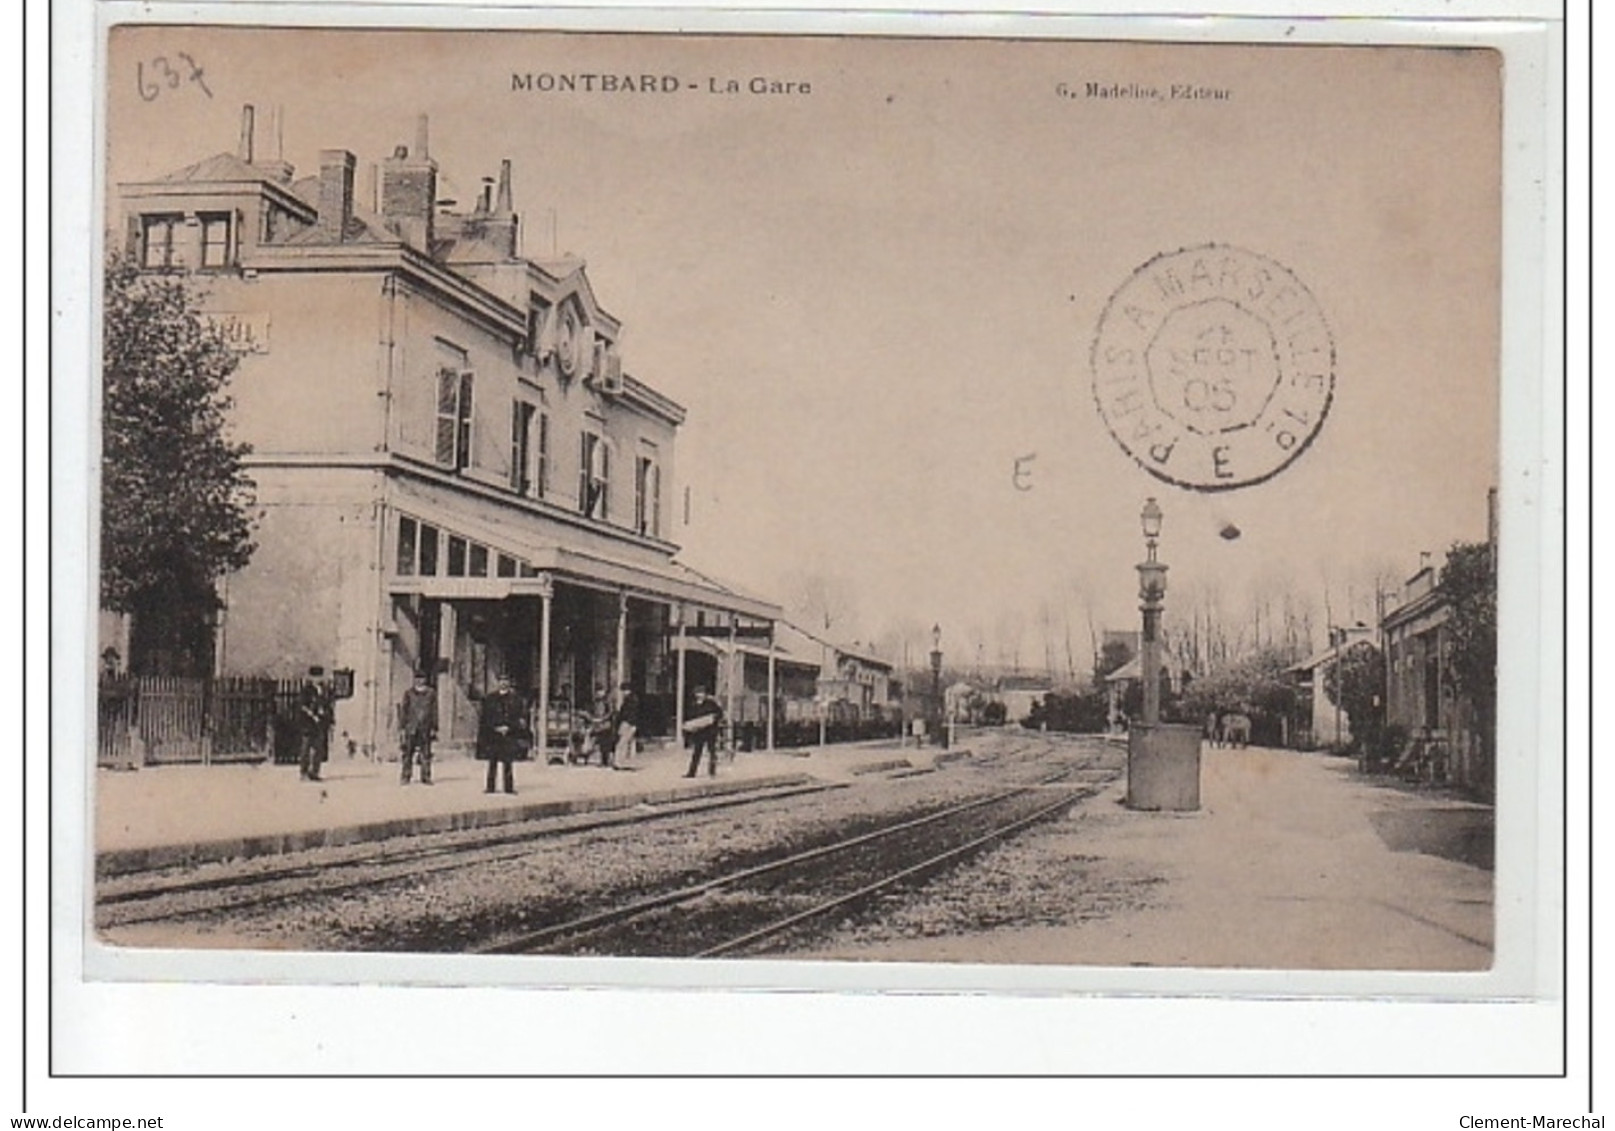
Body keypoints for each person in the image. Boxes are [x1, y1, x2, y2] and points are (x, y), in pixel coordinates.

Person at [477, 674, 529, 795]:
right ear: (498, 682)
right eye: (501, 680)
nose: (503, 683)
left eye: (506, 680)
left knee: (508, 761)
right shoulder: (490, 698)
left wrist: (509, 727)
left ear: (509, 683)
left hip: (509, 733)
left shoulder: (516, 699)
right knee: (492, 760)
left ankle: (509, 787)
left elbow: (519, 717)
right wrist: (495, 727)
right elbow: (485, 717)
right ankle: (490, 787)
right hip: (494, 733)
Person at [397, 670, 438, 785]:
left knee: (426, 753)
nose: (420, 681)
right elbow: (404, 710)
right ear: (414, 680)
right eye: (417, 678)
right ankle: (406, 776)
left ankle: (426, 776)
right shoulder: (409, 693)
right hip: (411, 727)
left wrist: (434, 727)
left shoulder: (431, 693)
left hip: (425, 727)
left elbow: (434, 710)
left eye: (422, 678)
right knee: (408, 753)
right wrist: (402, 727)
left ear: (425, 680)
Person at [297, 668, 334, 782]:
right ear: (311, 678)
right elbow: (303, 705)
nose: (318, 679)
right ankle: (304, 772)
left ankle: (315, 772)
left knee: (318, 748)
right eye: (316, 676)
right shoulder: (306, 690)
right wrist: (313, 715)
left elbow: (327, 705)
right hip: (308, 723)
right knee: (306, 748)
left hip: (320, 723)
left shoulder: (324, 690)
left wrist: (329, 718)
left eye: (320, 676)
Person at [682, 687, 725, 778]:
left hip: (710, 731)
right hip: (699, 732)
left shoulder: (711, 704)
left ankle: (712, 771)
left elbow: (720, 713)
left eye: (701, 693)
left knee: (712, 751)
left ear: (705, 694)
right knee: (697, 752)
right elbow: (690, 717)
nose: (700, 695)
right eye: (698, 693)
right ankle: (692, 772)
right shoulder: (693, 705)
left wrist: (713, 719)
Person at [613, 682, 640, 770]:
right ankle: (632, 763)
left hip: (626, 723)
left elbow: (624, 713)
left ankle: (619, 762)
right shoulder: (635, 699)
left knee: (622, 743)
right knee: (631, 744)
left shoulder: (628, 700)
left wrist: (619, 720)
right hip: (633, 724)